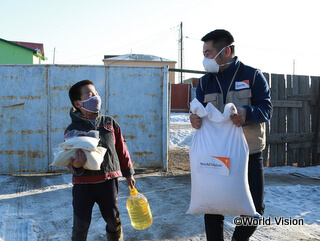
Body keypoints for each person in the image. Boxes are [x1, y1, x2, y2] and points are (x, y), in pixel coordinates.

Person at [190, 30, 272, 241]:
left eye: (208, 53)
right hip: (215, 156)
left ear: (225, 51)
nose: (204, 58)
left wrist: (247, 113)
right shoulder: (205, 82)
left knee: (255, 209)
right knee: (212, 207)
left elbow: (267, 109)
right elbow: (197, 109)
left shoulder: (253, 76)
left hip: (250, 154)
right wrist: (194, 119)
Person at [66, 80, 135, 241]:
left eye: (96, 93)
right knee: (80, 224)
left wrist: (128, 173)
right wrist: (75, 166)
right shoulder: (72, 130)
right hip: (83, 185)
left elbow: (121, 150)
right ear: (78, 103)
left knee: (113, 220)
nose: (96, 97)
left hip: (108, 182)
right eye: (89, 95)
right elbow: (68, 158)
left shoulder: (110, 123)